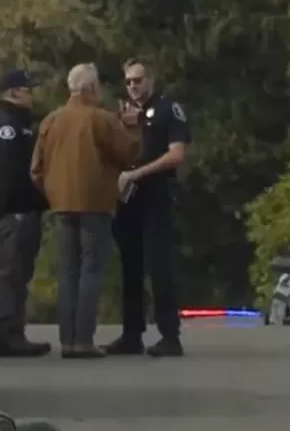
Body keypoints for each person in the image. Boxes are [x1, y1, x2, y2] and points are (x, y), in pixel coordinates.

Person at [30, 63, 140, 359]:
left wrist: (53, 192)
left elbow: (36, 169)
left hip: (61, 205)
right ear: (91, 88)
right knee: (91, 269)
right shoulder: (100, 119)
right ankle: (83, 340)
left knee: (67, 271)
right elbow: (129, 152)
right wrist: (131, 126)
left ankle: (67, 339)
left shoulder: (51, 121)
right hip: (96, 203)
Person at [105, 57, 191, 357]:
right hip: (128, 199)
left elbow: (176, 155)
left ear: (151, 80)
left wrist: (137, 174)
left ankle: (170, 334)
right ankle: (132, 332)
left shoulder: (168, 111)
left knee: (159, 266)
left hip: (156, 195)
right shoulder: (123, 115)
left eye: (138, 80)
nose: (133, 87)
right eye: (128, 82)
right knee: (130, 266)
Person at [0, 69, 51, 357]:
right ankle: (7, 334)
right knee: (10, 273)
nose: (31, 94)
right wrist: (22, 204)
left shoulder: (19, 124)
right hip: (15, 213)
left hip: (23, 211)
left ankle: (16, 331)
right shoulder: (7, 127)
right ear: (12, 92)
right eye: (26, 89)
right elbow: (9, 174)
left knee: (19, 274)